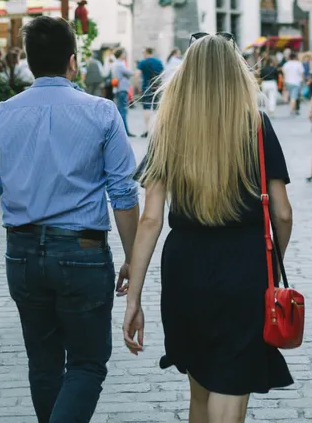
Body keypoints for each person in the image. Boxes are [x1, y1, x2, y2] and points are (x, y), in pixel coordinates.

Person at [0, 15, 139, 423]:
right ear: (73, 62)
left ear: (29, 62)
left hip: (21, 254)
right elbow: (124, 195)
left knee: (43, 364)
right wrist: (132, 256)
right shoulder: (102, 113)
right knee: (87, 364)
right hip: (83, 250)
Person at [123, 33, 294, 423]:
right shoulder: (256, 125)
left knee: (199, 388)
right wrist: (272, 263)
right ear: (237, 74)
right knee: (231, 386)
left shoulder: (167, 127)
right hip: (243, 264)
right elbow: (282, 213)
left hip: (186, 265)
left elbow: (150, 219)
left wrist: (134, 297)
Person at [136, 47, 165, 138]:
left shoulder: (143, 62)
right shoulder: (158, 62)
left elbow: (136, 75)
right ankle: (157, 130)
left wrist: (138, 88)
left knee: (147, 108)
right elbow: (163, 75)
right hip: (157, 87)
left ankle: (147, 130)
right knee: (157, 109)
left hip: (146, 87)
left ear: (146, 52)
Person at [111, 48, 134, 136]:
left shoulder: (115, 64)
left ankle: (122, 130)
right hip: (122, 89)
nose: (125, 54)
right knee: (123, 110)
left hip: (118, 89)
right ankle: (124, 131)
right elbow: (130, 73)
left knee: (121, 109)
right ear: (121, 54)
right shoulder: (120, 65)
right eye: (124, 53)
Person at [281, 52, 305, 116]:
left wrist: (284, 83)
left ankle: (294, 109)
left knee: (292, 95)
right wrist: (303, 81)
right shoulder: (298, 64)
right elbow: (302, 73)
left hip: (288, 82)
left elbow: (284, 74)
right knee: (293, 97)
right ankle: (292, 110)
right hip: (296, 82)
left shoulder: (286, 64)